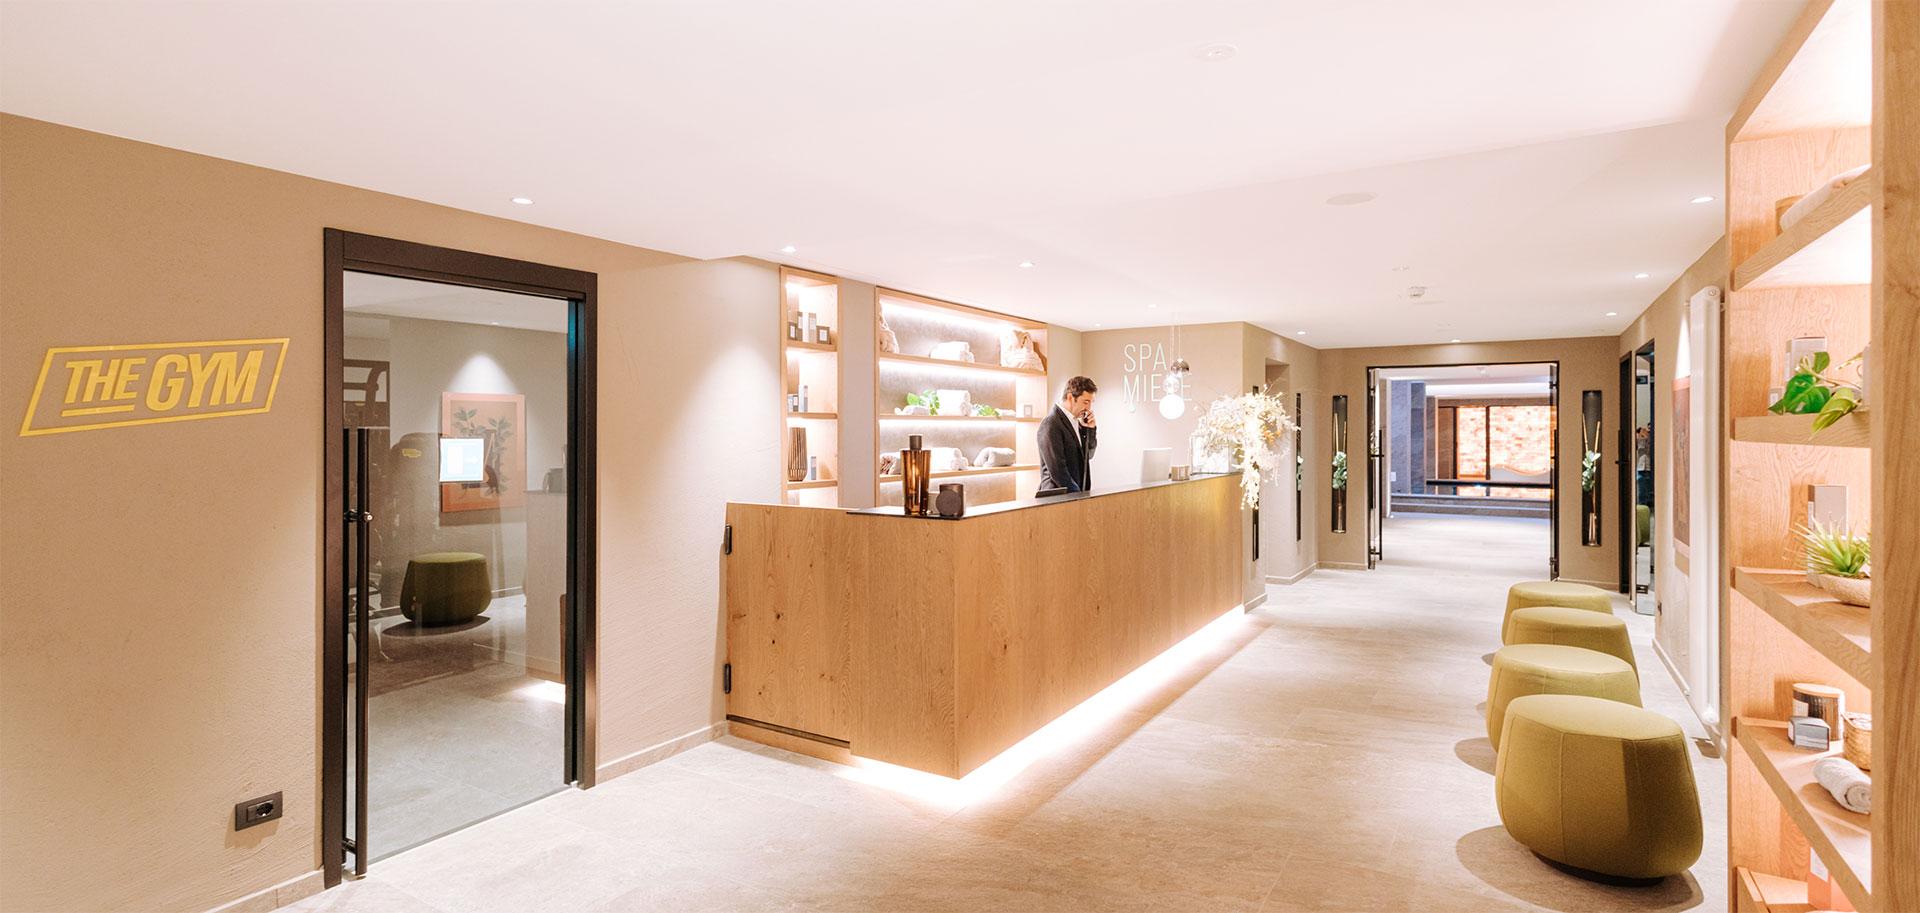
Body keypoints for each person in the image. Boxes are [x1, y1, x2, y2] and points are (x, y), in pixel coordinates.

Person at [1039, 376, 1098, 492]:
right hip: (1058, 498)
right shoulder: (1051, 423)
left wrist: (1090, 430)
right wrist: (1077, 497)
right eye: (1086, 402)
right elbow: (1058, 472)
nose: (1089, 408)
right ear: (1070, 397)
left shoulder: (1076, 422)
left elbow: (1089, 455)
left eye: (1091, 403)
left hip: (1075, 496)